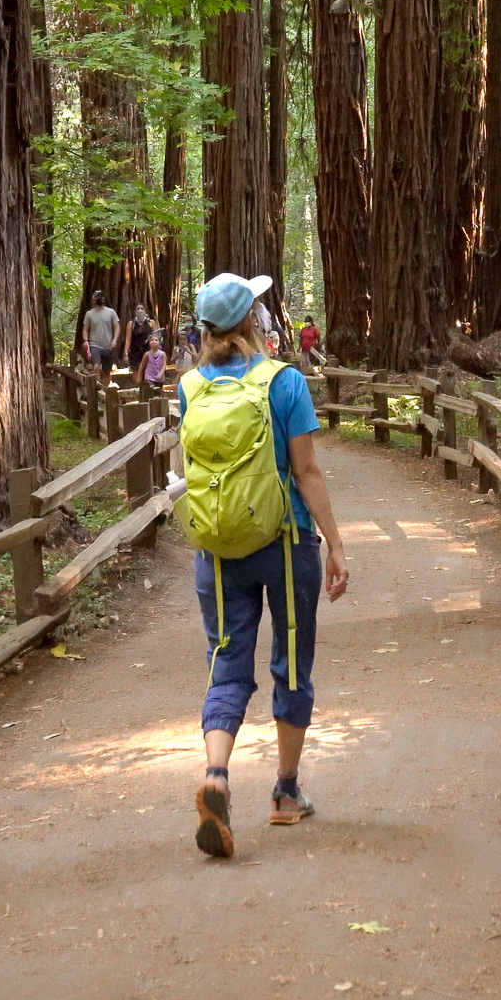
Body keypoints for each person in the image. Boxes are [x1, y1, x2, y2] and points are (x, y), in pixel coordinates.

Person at [178, 273, 349, 858]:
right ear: (252, 320)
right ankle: (285, 791)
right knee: (291, 662)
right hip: (285, 541)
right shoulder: (285, 381)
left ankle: (216, 776)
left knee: (226, 664)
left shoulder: (190, 387)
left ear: (205, 329)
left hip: (219, 548)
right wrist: (336, 544)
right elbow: (307, 472)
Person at [82, 291, 120, 380]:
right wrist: (86, 341)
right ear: (93, 300)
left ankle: (104, 387)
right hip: (94, 345)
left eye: (101, 296)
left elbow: (117, 326)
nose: (100, 298)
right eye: (97, 297)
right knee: (96, 367)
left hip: (108, 345)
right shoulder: (89, 314)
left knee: (107, 371)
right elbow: (85, 329)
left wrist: (115, 340)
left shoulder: (111, 312)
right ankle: (96, 385)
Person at [127, 304, 154, 376]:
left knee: (148, 373)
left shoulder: (151, 323)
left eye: (142, 308)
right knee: (136, 373)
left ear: (145, 311)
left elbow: (157, 337)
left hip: (148, 351)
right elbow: (128, 340)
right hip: (135, 352)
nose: (140, 310)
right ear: (135, 312)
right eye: (138, 309)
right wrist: (125, 354)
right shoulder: (131, 324)